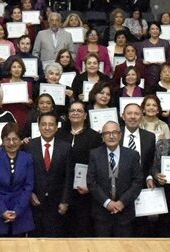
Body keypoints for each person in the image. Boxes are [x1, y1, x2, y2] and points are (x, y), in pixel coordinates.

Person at [87, 120, 143, 237]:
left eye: (114, 132)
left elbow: (137, 182)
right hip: (101, 213)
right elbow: (91, 182)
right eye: (107, 133)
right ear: (102, 137)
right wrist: (107, 203)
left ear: (120, 135)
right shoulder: (94, 154)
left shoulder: (132, 155)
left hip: (125, 213)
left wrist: (122, 202)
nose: (111, 136)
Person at [57, 101, 102, 237]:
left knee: (82, 229)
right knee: (62, 229)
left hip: (84, 191)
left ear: (85, 115)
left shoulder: (94, 136)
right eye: (72, 111)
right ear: (68, 115)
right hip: (62, 189)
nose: (75, 113)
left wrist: (90, 185)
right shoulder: (59, 134)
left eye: (79, 111)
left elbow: (97, 164)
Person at [25, 111, 72, 237]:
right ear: (38, 126)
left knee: (55, 242)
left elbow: (69, 177)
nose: (47, 128)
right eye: (43, 124)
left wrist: (65, 201)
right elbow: (25, 174)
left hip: (57, 204)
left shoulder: (66, 147)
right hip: (35, 202)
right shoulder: (29, 146)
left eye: (51, 124)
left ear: (57, 127)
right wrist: (30, 194)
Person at [0, 122, 35, 236]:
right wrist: (2, 211)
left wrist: (18, 211)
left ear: (20, 140)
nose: (11, 143)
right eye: (7, 139)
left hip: (20, 213)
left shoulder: (27, 158)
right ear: (2, 141)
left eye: (15, 139)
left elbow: (28, 187)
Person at [120, 103, 156, 188]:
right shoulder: (114, 134)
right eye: (129, 113)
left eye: (137, 114)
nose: (133, 117)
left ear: (141, 117)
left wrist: (149, 177)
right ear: (123, 116)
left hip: (141, 183)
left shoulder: (149, 137)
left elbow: (151, 162)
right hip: (118, 184)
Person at [0, 57, 33, 130]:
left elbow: (30, 104)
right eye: (14, 67)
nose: (17, 69)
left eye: (19, 67)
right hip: (7, 115)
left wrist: (30, 102)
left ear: (22, 69)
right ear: (10, 69)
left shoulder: (28, 85)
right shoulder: (4, 83)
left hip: (22, 116)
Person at [138, 22, 170, 89]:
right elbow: (138, 58)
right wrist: (143, 61)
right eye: (152, 29)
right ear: (149, 31)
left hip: (162, 73)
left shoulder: (165, 43)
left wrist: (164, 62)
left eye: (157, 29)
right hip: (147, 72)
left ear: (159, 31)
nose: (155, 31)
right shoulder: (143, 44)